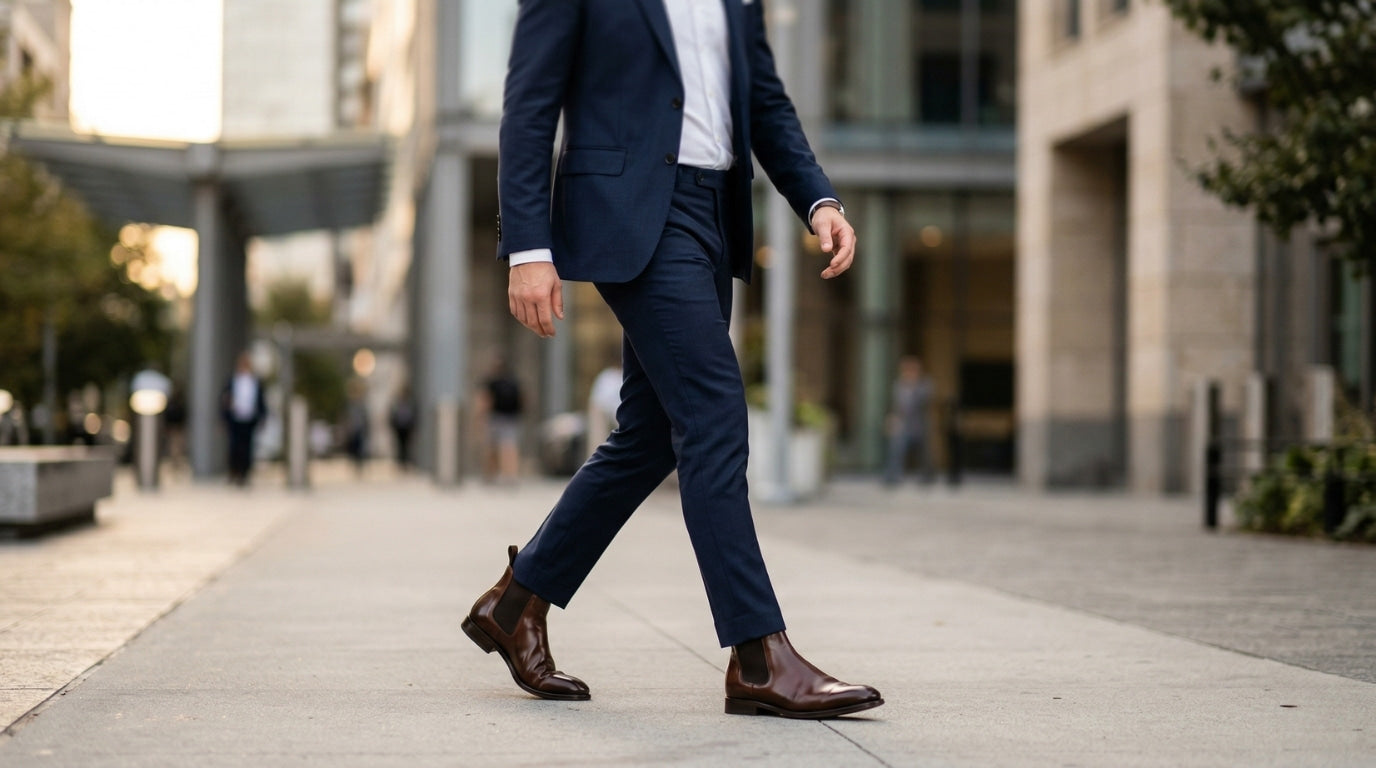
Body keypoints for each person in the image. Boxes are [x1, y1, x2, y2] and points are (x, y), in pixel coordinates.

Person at [462, 0, 881, 719]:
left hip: (712, 213)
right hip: (631, 213)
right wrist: (529, 249)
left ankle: (518, 601)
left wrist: (817, 200)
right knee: (715, 411)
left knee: (652, 434)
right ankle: (759, 654)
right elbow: (529, 103)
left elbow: (764, 102)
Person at [885, 355, 936, 486]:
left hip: (919, 424)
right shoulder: (898, 385)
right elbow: (896, 405)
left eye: (911, 369)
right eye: (905, 370)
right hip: (903, 424)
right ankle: (893, 476)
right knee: (897, 450)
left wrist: (913, 386)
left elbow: (925, 402)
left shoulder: (924, 385)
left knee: (924, 453)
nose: (908, 372)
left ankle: (927, 476)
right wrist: (892, 419)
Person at [220, 352, 266, 486]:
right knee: (234, 447)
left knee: (247, 447)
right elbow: (224, 400)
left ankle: (244, 474)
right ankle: (234, 471)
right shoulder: (232, 381)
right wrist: (223, 417)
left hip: (250, 419)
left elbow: (261, 401)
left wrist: (262, 417)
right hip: (235, 419)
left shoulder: (255, 382)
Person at [477, 356, 524, 484]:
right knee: (509, 448)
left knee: (493, 448)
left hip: (496, 417)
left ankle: (491, 475)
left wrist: (481, 417)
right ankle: (510, 475)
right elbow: (522, 399)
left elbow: (486, 400)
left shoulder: (491, 381)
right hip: (511, 418)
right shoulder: (513, 381)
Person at [389, 386, 416, 470]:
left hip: (407, 427)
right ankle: (400, 463)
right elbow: (392, 415)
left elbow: (414, 415)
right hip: (399, 427)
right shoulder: (397, 403)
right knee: (399, 446)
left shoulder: (410, 402)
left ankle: (405, 462)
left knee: (406, 446)